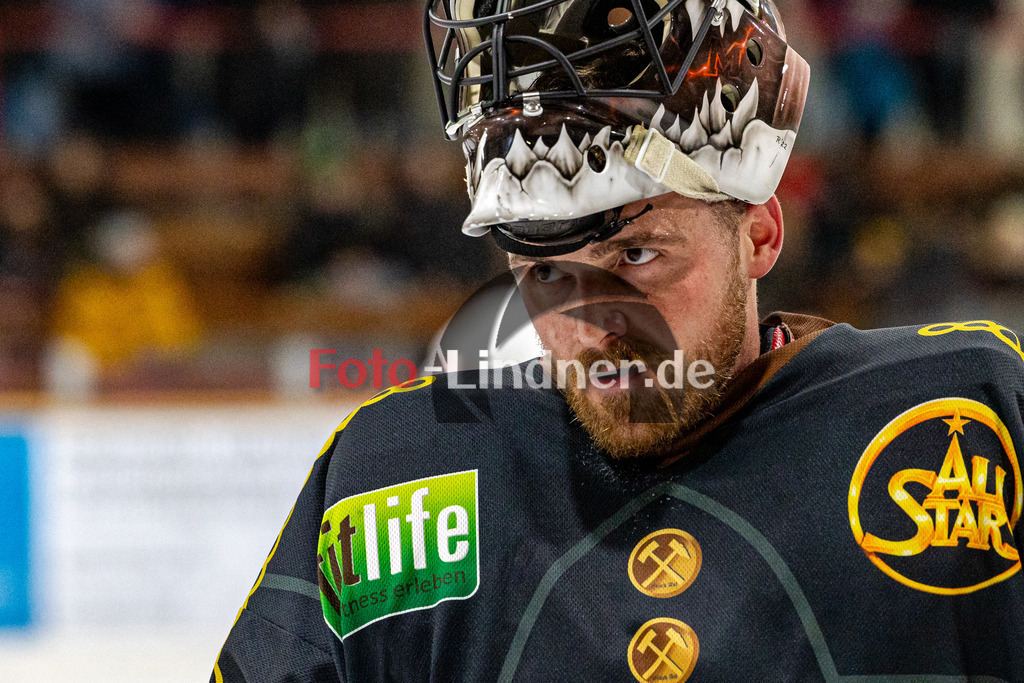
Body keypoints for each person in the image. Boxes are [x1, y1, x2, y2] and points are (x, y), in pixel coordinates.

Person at [213, 1, 1024, 680]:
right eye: (546, 272)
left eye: (637, 256)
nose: (595, 327)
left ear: (760, 234)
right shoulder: (392, 486)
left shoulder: (971, 425)